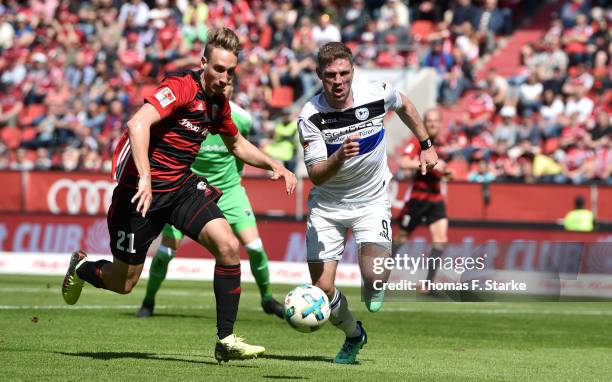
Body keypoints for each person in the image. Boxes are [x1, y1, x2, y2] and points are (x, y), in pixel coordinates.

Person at [61, 28, 296, 362]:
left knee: (228, 246)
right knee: (124, 282)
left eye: (230, 71)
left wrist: (277, 165)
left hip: (181, 188)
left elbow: (237, 144)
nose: (223, 77)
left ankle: (225, 340)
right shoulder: (180, 87)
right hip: (139, 195)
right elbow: (137, 124)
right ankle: (83, 267)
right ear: (203, 63)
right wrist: (144, 177)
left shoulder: (218, 105)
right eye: (218, 69)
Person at [297, 42, 438, 364]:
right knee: (322, 288)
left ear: (352, 72)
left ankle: (373, 285)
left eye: (343, 73)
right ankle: (353, 334)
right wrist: (338, 156)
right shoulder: (311, 116)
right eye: (330, 74)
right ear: (319, 75)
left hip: (372, 201)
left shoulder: (376, 93)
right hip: (328, 208)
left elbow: (404, 104)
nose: (338, 80)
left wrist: (425, 144)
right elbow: (316, 175)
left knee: (375, 276)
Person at [135, 82, 285, 319]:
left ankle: (267, 298)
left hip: (230, 190)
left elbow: (240, 147)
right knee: (165, 252)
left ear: (232, 90)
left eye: (228, 84)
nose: (223, 88)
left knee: (255, 247)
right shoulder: (193, 113)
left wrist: (239, 178)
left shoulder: (242, 119)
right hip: (189, 188)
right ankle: (148, 302)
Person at [393, 109, 453, 295]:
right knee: (401, 239)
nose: (433, 124)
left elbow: (444, 170)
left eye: (436, 121)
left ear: (441, 123)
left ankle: (428, 284)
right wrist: (426, 165)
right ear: (424, 123)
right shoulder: (417, 141)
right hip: (417, 199)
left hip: (436, 198)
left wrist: (447, 172)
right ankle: (377, 275)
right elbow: (403, 162)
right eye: (429, 121)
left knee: (440, 240)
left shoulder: (443, 144)